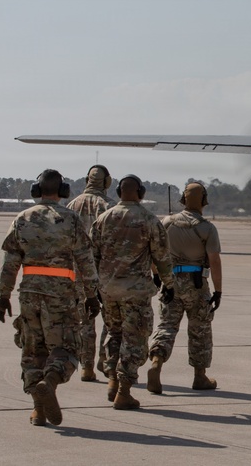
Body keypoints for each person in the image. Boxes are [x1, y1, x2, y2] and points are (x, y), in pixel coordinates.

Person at [0, 169, 101, 427]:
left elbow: (10, 263)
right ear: (63, 192)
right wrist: (91, 295)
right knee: (66, 347)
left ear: (36, 190)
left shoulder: (22, 218)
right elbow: (85, 261)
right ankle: (50, 382)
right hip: (61, 293)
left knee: (33, 350)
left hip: (30, 294)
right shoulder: (72, 220)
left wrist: (3, 296)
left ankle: (38, 410)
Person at [89, 174, 176, 409]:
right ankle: (124, 391)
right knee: (135, 339)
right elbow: (162, 257)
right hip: (135, 292)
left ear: (118, 192)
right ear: (141, 192)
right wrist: (169, 284)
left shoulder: (103, 219)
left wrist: (95, 286)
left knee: (115, 334)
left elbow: (92, 256)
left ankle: (112, 381)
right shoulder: (148, 220)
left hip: (108, 290)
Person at [147, 181, 223, 393]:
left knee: (167, 326)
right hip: (197, 284)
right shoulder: (207, 228)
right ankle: (200, 377)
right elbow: (214, 260)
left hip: (171, 281)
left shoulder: (167, 222)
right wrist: (218, 291)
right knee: (200, 329)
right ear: (204, 200)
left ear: (183, 199)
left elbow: (155, 253)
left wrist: (157, 276)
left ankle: (156, 362)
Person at [66, 164, 113, 381]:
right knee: (111, 319)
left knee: (84, 321)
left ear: (87, 180)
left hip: (77, 272)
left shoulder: (71, 205)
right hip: (104, 271)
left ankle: (86, 367)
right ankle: (105, 359)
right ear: (107, 182)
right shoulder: (109, 207)